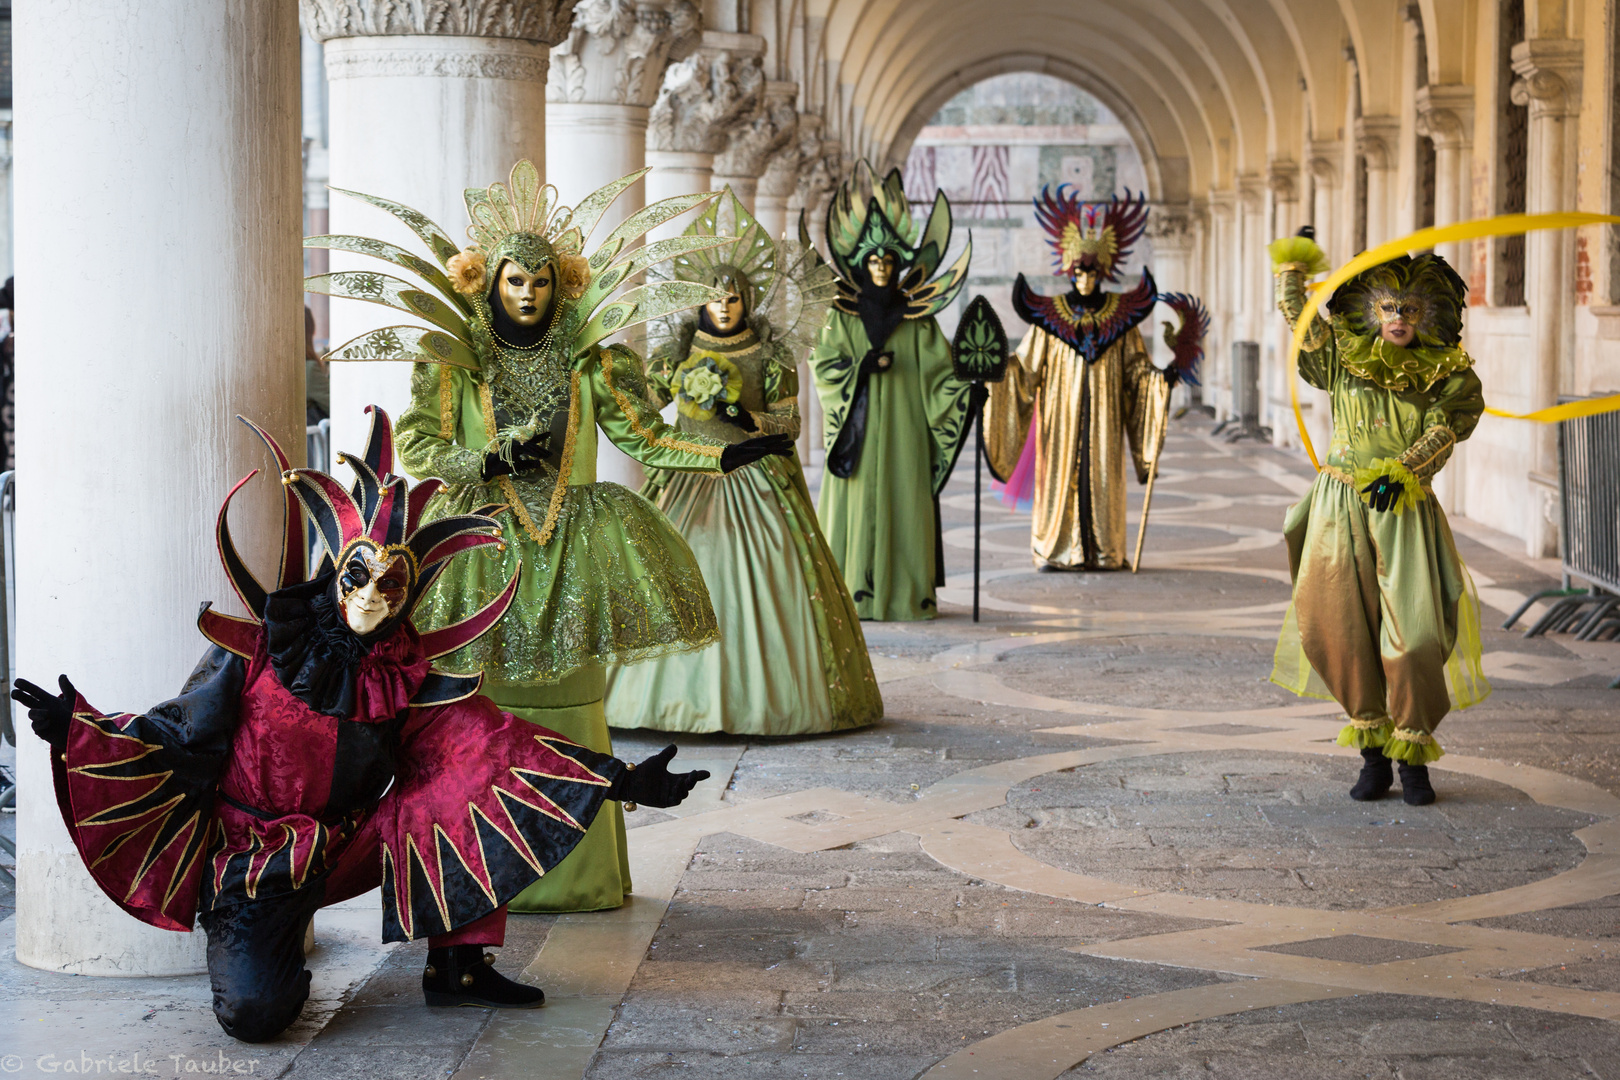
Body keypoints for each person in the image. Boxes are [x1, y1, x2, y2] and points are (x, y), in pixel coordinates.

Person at [11, 410, 709, 1042]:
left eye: (392, 585)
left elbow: (489, 744)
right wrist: (81, 727)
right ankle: (267, 947)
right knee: (256, 1016)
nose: (373, 596)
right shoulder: (257, 649)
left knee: (469, 775)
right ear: (334, 575)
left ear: (410, 593)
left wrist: (619, 779)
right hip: (255, 861)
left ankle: (459, 967)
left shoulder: (403, 673)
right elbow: (180, 730)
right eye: (359, 576)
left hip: (348, 845)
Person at [308, 160, 791, 913]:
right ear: (488, 281)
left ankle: (577, 874)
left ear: (561, 284)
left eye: (541, 281)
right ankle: (485, 873)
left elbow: (643, 437)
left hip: (575, 556)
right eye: (515, 281)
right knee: (477, 720)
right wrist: (491, 458)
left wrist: (728, 452)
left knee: (572, 705)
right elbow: (423, 448)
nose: (529, 294)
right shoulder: (454, 361)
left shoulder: (592, 359)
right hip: (481, 561)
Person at [606, 193, 882, 735]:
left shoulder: (772, 354)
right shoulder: (678, 353)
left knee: (769, 580)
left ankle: (764, 697)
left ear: (747, 299)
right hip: (686, 476)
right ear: (699, 302)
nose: (724, 307)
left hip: (757, 480)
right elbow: (644, 403)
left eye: (733, 299)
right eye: (714, 298)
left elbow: (789, 424)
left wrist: (742, 414)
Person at [1268, 228, 1491, 805]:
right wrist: (1293, 270)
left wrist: (1408, 468)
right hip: (1340, 505)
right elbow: (1305, 330)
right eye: (1389, 308)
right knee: (1343, 631)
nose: (1398, 318)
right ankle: (1374, 756)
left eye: (1409, 310)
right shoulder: (1344, 359)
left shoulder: (1444, 369)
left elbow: (1451, 424)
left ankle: (1413, 756)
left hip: (1404, 509)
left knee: (1416, 636)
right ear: (1371, 309)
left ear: (1426, 314)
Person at [985, 188, 1204, 570]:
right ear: (1069, 270)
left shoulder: (1121, 321)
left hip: (1106, 425)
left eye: (1092, 270)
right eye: (1079, 270)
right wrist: (992, 372)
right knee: (1059, 479)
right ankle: (1057, 548)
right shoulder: (1049, 320)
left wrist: (1161, 380)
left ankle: (1103, 549)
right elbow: (1024, 370)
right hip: (1060, 426)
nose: (1085, 278)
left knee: (1102, 480)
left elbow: (1137, 372)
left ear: (1103, 271)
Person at [808, 162, 974, 620]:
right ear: (860, 264)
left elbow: (942, 376)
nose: (881, 267)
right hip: (856, 434)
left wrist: (964, 393)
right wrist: (861, 368)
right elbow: (824, 365)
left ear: (900, 265)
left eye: (888, 261)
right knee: (857, 505)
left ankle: (904, 594)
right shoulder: (841, 317)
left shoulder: (919, 322)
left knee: (906, 505)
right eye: (874, 261)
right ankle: (851, 592)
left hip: (906, 433)